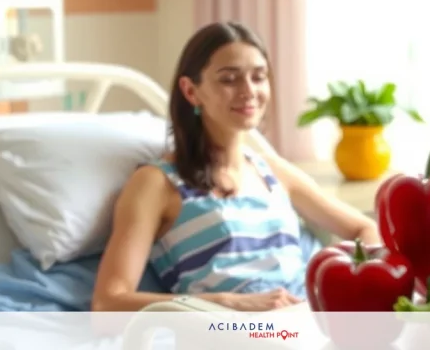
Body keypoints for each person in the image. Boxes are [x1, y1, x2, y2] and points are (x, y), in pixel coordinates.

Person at [91, 22, 379, 312]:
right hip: (229, 330)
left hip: (306, 322)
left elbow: (363, 227)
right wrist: (226, 304)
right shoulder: (156, 183)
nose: (249, 91)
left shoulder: (273, 171)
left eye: (259, 77)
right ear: (191, 91)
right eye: (229, 79)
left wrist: (356, 283)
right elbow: (108, 302)